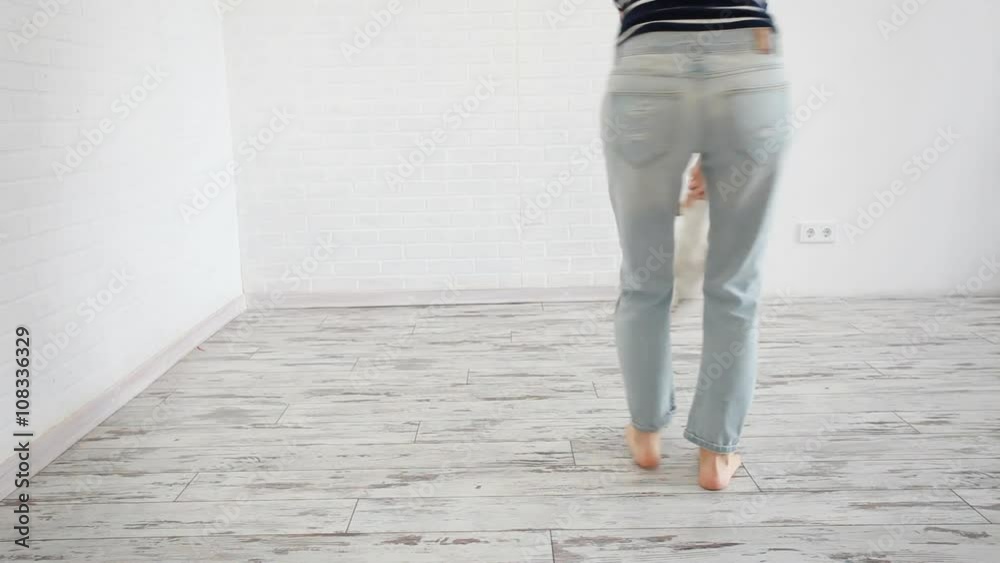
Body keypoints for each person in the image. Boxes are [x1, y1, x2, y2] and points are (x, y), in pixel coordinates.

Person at [602, 0, 789, 490]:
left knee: (643, 279)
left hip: (649, 66)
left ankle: (646, 433)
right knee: (736, 284)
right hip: (749, 69)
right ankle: (716, 454)